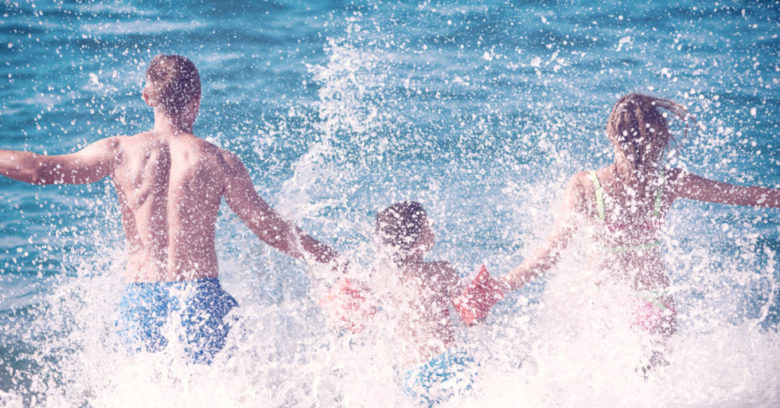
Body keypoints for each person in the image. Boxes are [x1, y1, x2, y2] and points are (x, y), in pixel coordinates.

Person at [0, 54, 338, 364]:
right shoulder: (218, 161)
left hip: (141, 302)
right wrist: (331, 260)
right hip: (201, 300)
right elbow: (270, 229)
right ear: (197, 101)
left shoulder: (119, 152)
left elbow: (38, 170)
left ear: (147, 97)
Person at [455, 93, 780, 368]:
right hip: (656, 302)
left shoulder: (586, 185)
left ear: (610, 133)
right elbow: (743, 195)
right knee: (650, 384)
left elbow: (551, 252)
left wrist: (499, 287)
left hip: (604, 302)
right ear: (658, 135)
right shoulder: (668, 182)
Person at [324, 201, 476, 406]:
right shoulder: (441, 271)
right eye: (426, 224)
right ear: (417, 239)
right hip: (448, 363)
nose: (431, 224)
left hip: (412, 376)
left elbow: (358, 310)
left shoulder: (379, 278)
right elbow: (469, 313)